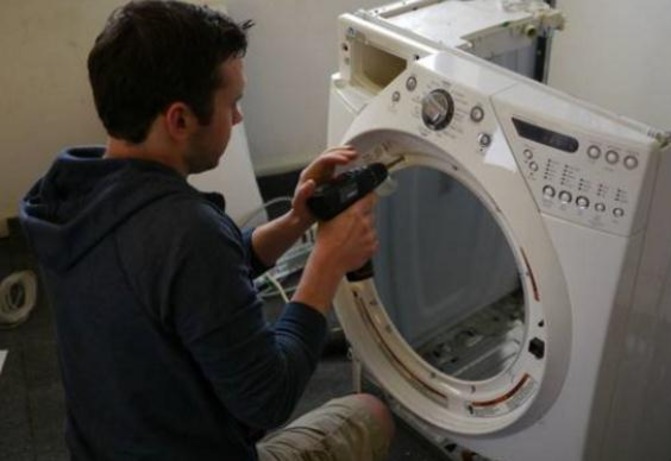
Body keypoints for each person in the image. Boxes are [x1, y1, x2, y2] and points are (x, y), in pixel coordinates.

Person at [19, 1, 394, 460]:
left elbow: (188, 283)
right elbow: (269, 397)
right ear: (179, 120)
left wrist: (297, 221)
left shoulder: (70, 195)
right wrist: (327, 263)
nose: (237, 118)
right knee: (371, 413)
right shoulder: (186, 232)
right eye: (232, 104)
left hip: (104, 448)